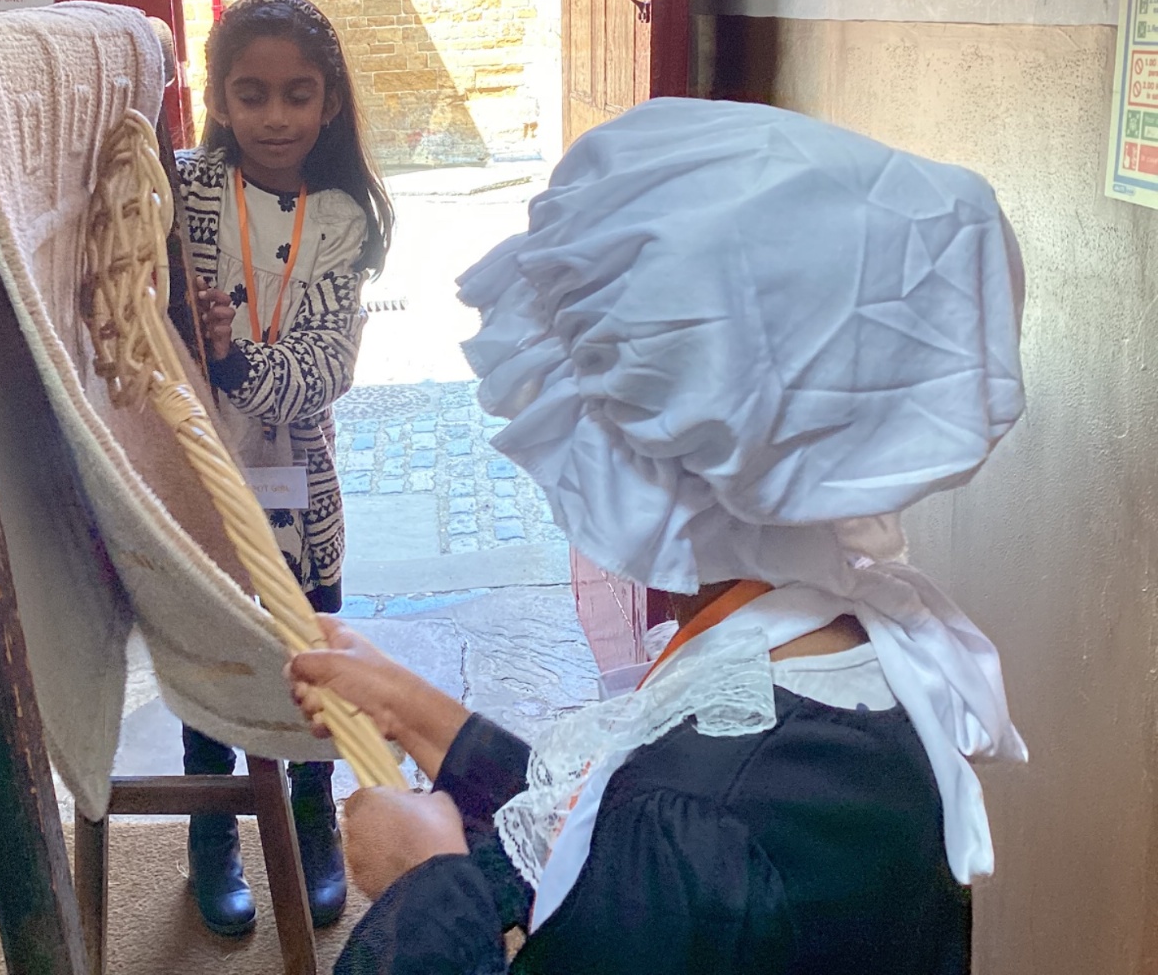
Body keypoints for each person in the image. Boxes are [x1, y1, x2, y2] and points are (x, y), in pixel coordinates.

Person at [286, 98, 1028, 973]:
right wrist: (416, 711)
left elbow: (644, 864)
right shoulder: (837, 663)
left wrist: (422, 890)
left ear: (656, 459)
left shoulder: (698, 816)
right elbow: (604, 842)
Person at [174, 0, 394, 936]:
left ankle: (312, 813)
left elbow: (328, 366)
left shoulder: (340, 219)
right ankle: (212, 830)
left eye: (297, 95)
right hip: (192, 467)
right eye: (251, 94)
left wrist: (235, 359)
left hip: (299, 481)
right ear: (219, 99)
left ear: (330, 102)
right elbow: (127, 289)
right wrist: (185, 329)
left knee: (308, 652)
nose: (274, 117)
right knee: (210, 649)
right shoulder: (183, 191)